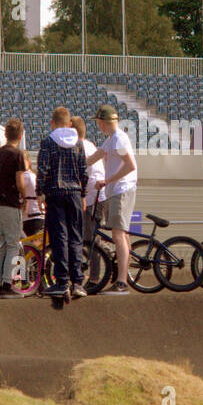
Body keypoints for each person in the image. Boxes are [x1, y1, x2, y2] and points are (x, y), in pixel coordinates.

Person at [36, 106, 88, 299]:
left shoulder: (48, 141)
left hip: (55, 192)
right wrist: (83, 194)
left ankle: (61, 281)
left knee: (60, 237)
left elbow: (43, 169)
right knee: (76, 237)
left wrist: (39, 192)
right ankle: (78, 282)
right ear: (69, 123)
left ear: (52, 122)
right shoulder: (78, 143)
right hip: (74, 192)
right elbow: (84, 170)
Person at [87, 105, 137, 294]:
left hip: (122, 190)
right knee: (122, 235)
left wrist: (106, 181)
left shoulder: (118, 139)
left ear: (102, 122)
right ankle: (123, 278)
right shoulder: (111, 140)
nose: (98, 126)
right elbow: (95, 157)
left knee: (118, 235)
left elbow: (130, 166)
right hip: (117, 190)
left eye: (98, 122)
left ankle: (122, 282)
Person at [0, 119, 29, 299]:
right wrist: (25, 197)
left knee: (1, 245)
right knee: (13, 244)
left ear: (5, 135)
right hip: (10, 204)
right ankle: (7, 282)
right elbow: (20, 181)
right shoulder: (17, 154)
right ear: (20, 136)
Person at [71, 115, 106, 289]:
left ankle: (94, 278)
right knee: (90, 237)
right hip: (95, 197)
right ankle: (96, 272)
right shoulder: (91, 145)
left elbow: (79, 174)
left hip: (91, 198)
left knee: (90, 239)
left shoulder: (80, 147)